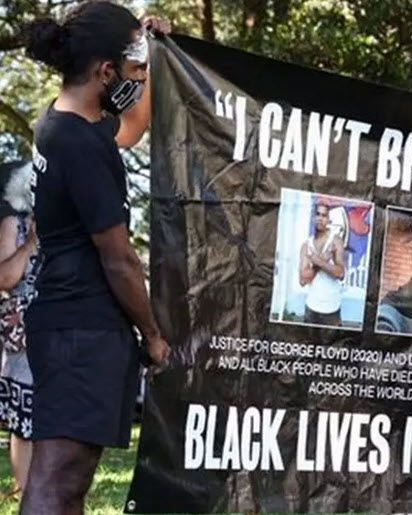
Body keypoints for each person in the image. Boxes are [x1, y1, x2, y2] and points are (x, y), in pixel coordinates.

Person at [21, 4, 171, 513]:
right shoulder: (78, 144)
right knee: (56, 481)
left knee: (70, 484)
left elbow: (133, 125)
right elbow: (119, 258)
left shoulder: (64, 123)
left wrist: (152, 53)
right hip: (79, 330)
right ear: (106, 72)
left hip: (70, 325)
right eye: (133, 70)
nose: (138, 80)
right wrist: (152, 335)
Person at [0, 162, 41, 499]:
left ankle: (51, 493)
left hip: (62, 329)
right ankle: (27, 495)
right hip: (24, 332)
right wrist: (30, 243)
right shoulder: (15, 224)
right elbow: (5, 278)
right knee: (24, 420)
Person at [298, 201, 345, 326]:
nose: (320, 218)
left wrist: (318, 261)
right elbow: (302, 280)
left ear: (329, 219)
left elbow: (340, 274)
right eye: (318, 214)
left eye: (324, 215)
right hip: (312, 308)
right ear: (313, 217)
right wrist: (320, 262)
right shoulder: (306, 245)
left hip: (332, 309)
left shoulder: (336, 241)